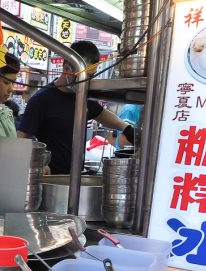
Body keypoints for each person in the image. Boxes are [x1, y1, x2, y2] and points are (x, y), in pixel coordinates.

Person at [18, 41, 136, 174]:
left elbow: (102, 114)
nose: (87, 81)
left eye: (91, 76)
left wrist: (126, 128)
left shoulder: (81, 95)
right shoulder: (41, 100)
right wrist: (38, 164)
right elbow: (22, 137)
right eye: (84, 75)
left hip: (76, 176)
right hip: (50, 179)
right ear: (67, 69)